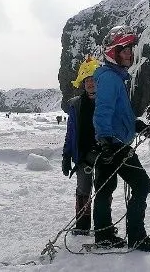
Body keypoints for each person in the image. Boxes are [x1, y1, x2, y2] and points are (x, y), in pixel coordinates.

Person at [92, 25, 150, 252]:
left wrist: (136, 125)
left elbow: (119, 113)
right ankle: (136, 237)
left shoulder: (114, 77)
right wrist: (106, 141)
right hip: (113, 143)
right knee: (142, 185)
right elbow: (103, 110)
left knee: (104, 188)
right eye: (124, 49)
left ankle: (104, 236)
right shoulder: (111, 79)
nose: (129, 53)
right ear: (113, 52)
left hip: (111, 142)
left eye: (130, 49)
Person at [62, 56, 100, 236]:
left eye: (93, 80)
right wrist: (66, 155)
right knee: (83, 191)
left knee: (103, 190)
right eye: (88, 81)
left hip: (104, 153)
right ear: (83, 84)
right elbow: (71, 133)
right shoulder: (76, 105)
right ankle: (82, 226)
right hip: (83, 155)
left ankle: (102, 227)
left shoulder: (106, 102)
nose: (91, 84)